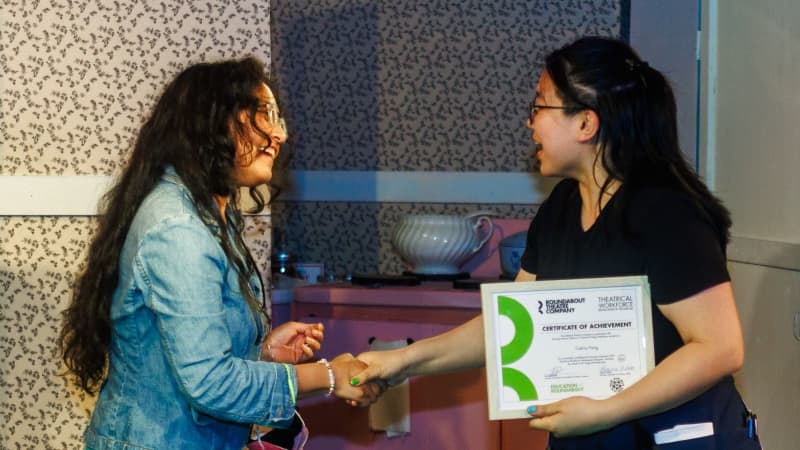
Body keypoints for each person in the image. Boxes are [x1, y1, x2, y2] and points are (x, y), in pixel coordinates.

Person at [353, 36, 761, 449]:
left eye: (539, 106)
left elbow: (720, 348)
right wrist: (403, 361)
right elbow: (509, 329)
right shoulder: (561, 207)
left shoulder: (664, 212)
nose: (529, 123)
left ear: (586, 123)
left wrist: (606, 409)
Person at [59, 57, 383, 450]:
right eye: (264, 115)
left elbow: (183, 354)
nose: (279, 134)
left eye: (278, 118)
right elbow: (210, 382)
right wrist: (329, 375)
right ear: (214, 121)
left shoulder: (209, 214)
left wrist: (260, 352)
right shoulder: (178, 229)